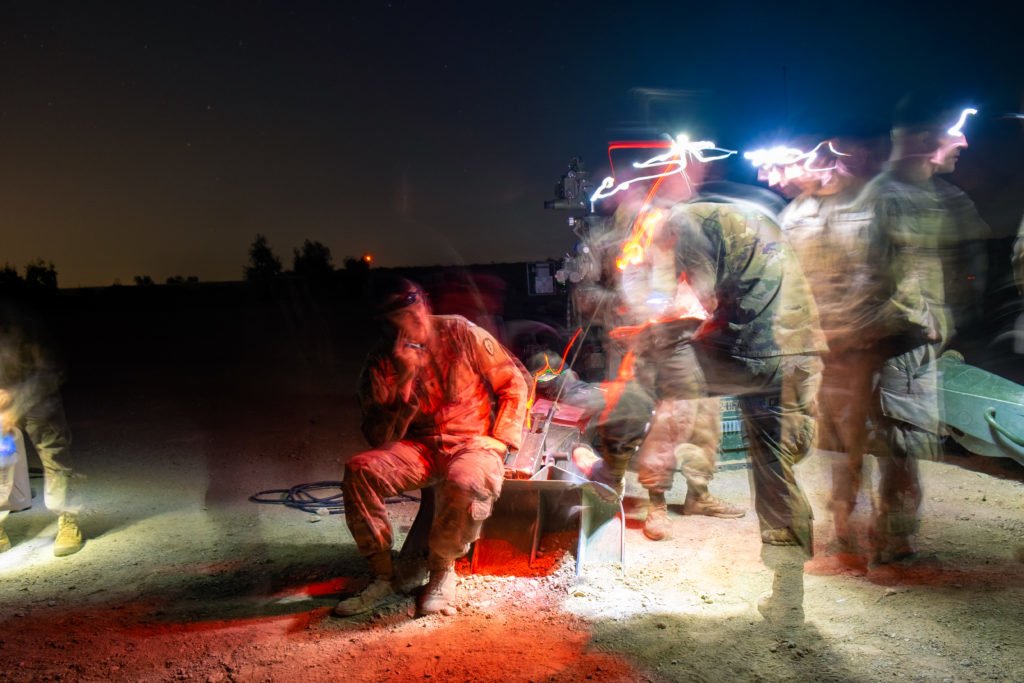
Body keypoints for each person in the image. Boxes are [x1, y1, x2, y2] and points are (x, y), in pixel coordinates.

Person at [335, 277, 529, 617]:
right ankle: (383, 575)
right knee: (360, 471)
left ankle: (441, 570)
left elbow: (513, 381)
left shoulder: (460, 332)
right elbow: (379, 438)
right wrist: (404, 388)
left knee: (467, 481)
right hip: (421, 448)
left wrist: (502, 440)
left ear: (425, 303)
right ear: (389, 323)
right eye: (402, 317)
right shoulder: (382, 361)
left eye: (416, 309)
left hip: (472, 443)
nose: (415, 320)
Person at [852, 95, 989, 565]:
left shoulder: (940, 195)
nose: (965, 141)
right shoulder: (889, 198)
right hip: (899, 347)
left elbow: (968, 265)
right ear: (922, 140)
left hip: (914, 345)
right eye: (954, 131)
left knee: (905, 444)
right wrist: (908, 320)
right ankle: (894, 547)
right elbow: (863, 281)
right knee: (902, 443)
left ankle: (890, 540)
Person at [0, 300, 83, 556]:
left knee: (54, 454)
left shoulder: (23, 321)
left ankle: (68, 521)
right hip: (3, 398)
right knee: (0, 461)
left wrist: (17, 404)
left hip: (38, 397)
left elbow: (50, 371)